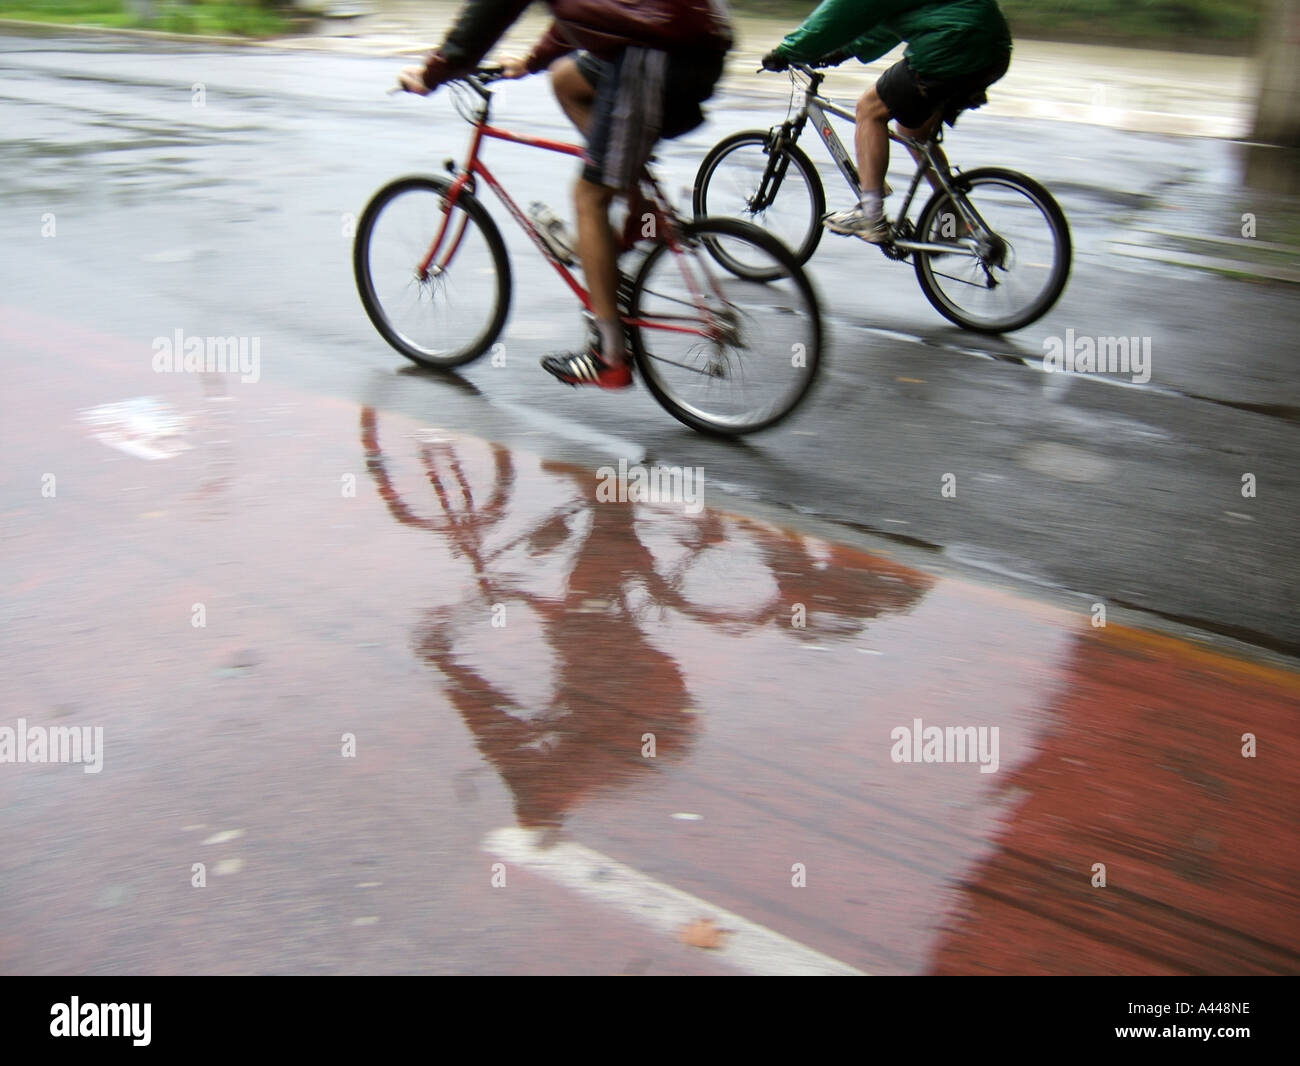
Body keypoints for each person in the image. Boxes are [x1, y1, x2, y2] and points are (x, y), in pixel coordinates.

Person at [398, 1, 732, 389]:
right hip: (671, 39)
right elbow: (588, 11)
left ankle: (608, 357)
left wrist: (433, 73)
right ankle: (643, 212)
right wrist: (533, 60)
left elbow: (486, 15)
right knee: (566, 79)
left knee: (590, 196)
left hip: (655, 53)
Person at [761, 0, 1012, 244]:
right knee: (914, 131)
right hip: (993, 49)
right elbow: (883, 18)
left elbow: (836, 14)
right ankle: (952, 217)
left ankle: (871, 216)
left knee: (870, 109)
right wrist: (844, 51)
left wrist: (787, 51)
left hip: (951, 45)